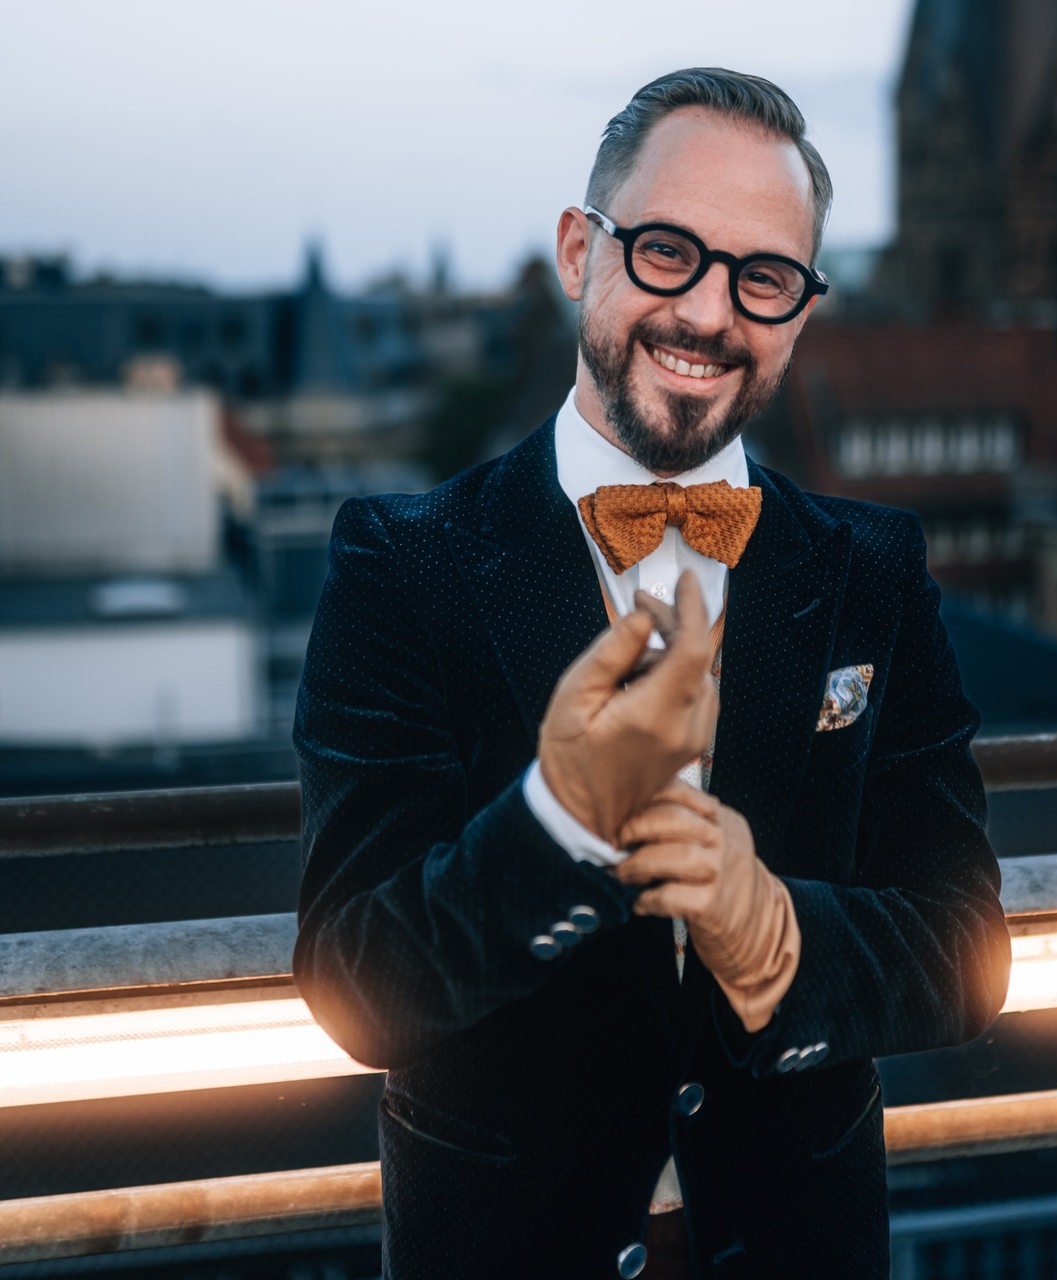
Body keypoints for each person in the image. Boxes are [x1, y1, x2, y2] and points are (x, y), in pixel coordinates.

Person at [294, 67, 1010, 1280]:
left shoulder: (874, 573)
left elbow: (967, 955)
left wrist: (773, 929)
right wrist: (558, 821)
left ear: (798, 308)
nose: (708, 314)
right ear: (581, 250)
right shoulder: (397, 563)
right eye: (668, 250)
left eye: (762, 275)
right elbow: (357, 984)